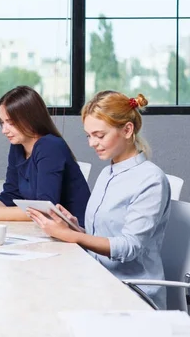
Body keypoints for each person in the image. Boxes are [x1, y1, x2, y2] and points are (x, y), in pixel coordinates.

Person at [27, 91, 171, 309]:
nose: (92, 143)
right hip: (99, 278)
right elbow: (104, 238)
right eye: (88, 136)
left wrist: (72, 235)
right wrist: (74, 227)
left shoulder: (151, 180)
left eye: (99, 135)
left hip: (132, 292)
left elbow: (129, 247)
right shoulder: (108, 173)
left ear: (127, 130)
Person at [0, 86, 90, 224]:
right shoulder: (18, 146)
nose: (4, 130)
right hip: (48, 230)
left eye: (11, 123)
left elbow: (45, 208)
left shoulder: (50, 146)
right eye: (2, 122)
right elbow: (10, 195)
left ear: (31, 119)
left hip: (75, 234)